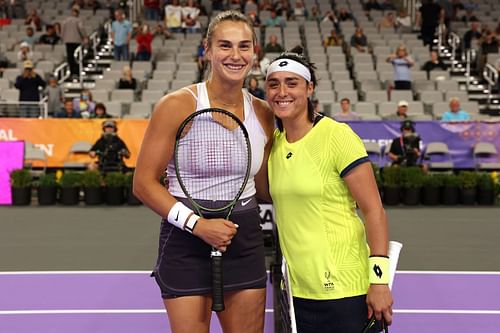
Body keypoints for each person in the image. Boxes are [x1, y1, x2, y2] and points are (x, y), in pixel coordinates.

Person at [132, 10, 274, 333]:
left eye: (244, 46)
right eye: (225, 46)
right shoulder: (177, 106)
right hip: (185, 240)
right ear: (207, 50)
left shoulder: (264, 113)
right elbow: (143, 184)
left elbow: (266, 187)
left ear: (255, 52)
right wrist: (197, 225)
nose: (235, 55)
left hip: (244, 238)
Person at [265, 46, 393, 333]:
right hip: (298, 294)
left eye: (292, 83)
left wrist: (380, 281)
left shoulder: (337, 136)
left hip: (345, 291)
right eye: (274, 84)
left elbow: (374, 211)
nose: (282, 91)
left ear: (309, 88)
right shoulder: (274, 144)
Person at [61, 5, 87, 79]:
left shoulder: (65, 20)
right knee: (76, 57)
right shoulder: (78, 20)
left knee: (71, 57)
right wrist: (85, 37)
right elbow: (81, 29)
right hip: (76, 41)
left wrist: (63, 38)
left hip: (68, 41)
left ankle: (73, 72)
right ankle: (76, 72)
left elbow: (62, 30)